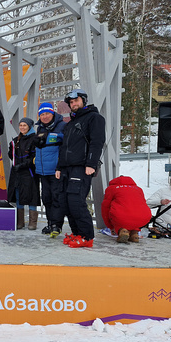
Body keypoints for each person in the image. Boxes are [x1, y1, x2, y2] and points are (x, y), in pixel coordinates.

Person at [55, 89, 105, 248]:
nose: (73, 104)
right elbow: (64, 147)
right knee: (67, 202)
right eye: (71, 102)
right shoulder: (70, 123)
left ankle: (86, 236)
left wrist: (91, 164)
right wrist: (59, 167)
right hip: (66, 168)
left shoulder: (94, 118)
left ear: (83, 100)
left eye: (76, 101)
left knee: (76, 201)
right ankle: (77, 233)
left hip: (82, 167)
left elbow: (97, 142)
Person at [34, 102, 66, 237]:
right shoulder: (40, 128)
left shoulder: (62, 126)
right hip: (43, 170)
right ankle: (50, 223)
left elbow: (66, 143)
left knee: (56, 197)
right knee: (46, 198)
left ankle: (56, 225)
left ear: (52, 113)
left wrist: (57, 137)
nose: (45, 117)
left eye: (47, 113)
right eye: (42, 114)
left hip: (56, 170)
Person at [7, 117, 40, 230]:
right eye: (20, 125)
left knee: (31, 195)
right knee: (18, 195)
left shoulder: (34, 139)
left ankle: (32, 222)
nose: (22, 127)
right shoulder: (16, 140)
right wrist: (10, 151)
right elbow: (12, 156)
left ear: (30, 126)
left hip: (29, 172)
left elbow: (34, 158)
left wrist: (23, 165)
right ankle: (20, 222)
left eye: (24, 125)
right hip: (17, 173)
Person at [101, 175, 152, 243]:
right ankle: (134, 233)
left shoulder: (111, 189)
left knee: (121, 217)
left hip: (122, 218)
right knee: (133, 216)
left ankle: (122, 231)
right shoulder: (138, 189)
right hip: (144, 217)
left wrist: (110, 226)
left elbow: (105, 207)